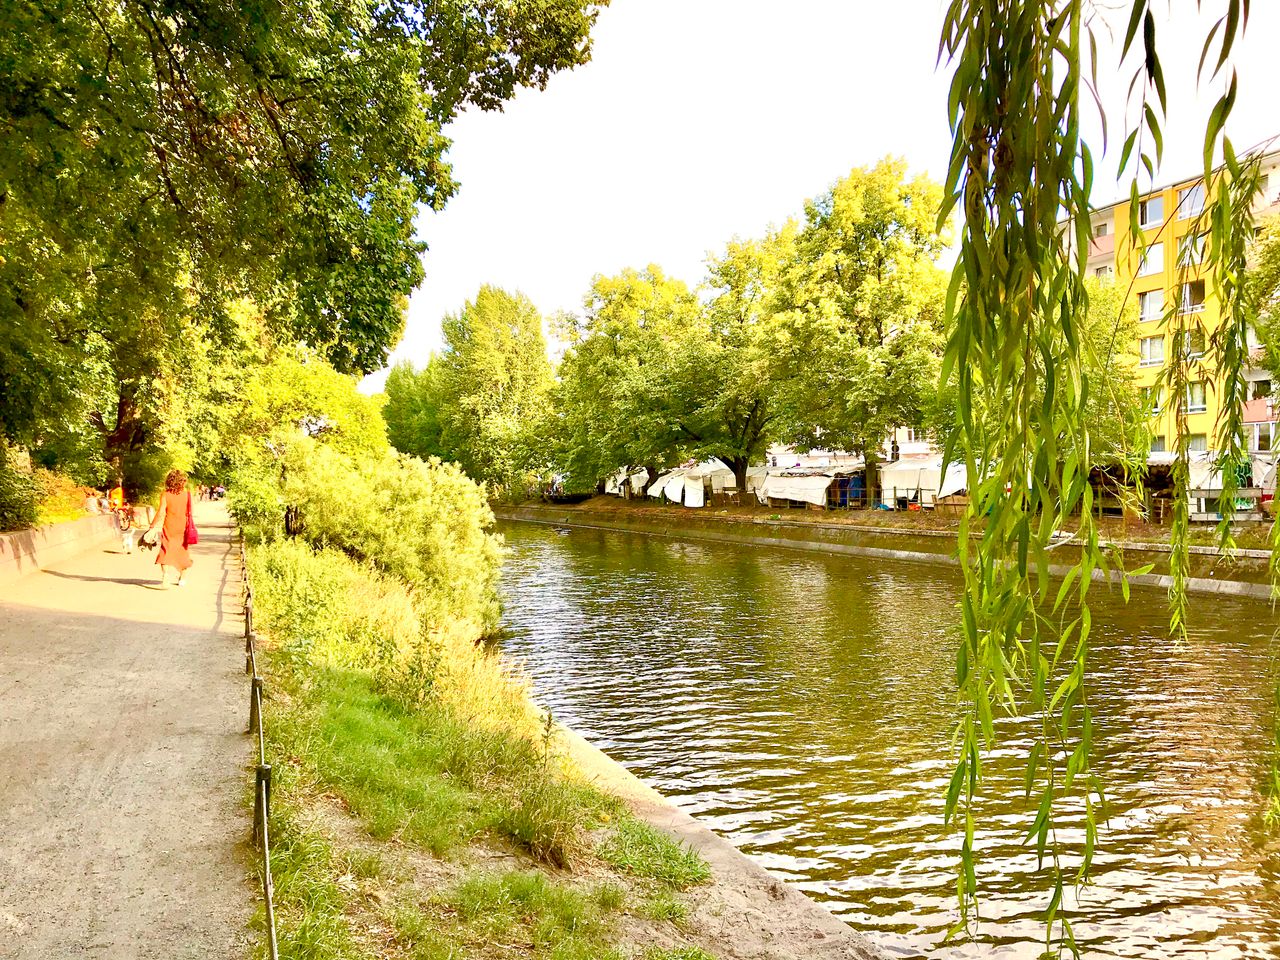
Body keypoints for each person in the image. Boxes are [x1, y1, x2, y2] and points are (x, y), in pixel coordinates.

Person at [144, 469, 194, 587]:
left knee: (166, 549)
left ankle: (166, 575)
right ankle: (182, 578)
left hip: (169, 526)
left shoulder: (165, 495)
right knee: (182, 550)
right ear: (182, 481)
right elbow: (189, 512)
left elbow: (161, 512)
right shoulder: (187, 495)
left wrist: (152, 524)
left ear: (169, 481)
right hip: (183, 526)